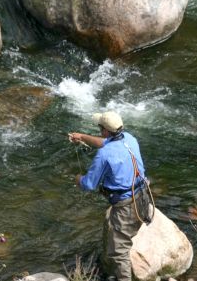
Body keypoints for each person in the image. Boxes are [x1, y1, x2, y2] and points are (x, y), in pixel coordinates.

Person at [68, 111, 152, 281]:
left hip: (126, 207)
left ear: (105, 130)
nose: (99, 130)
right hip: (143, 196)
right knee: (116, 238)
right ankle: (111, 271)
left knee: (118, 253)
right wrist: (82, 137)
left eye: (100, 127)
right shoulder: (129, 138)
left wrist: (77, 178)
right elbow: (104, 143)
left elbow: (88, 184)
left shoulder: (104, 154)